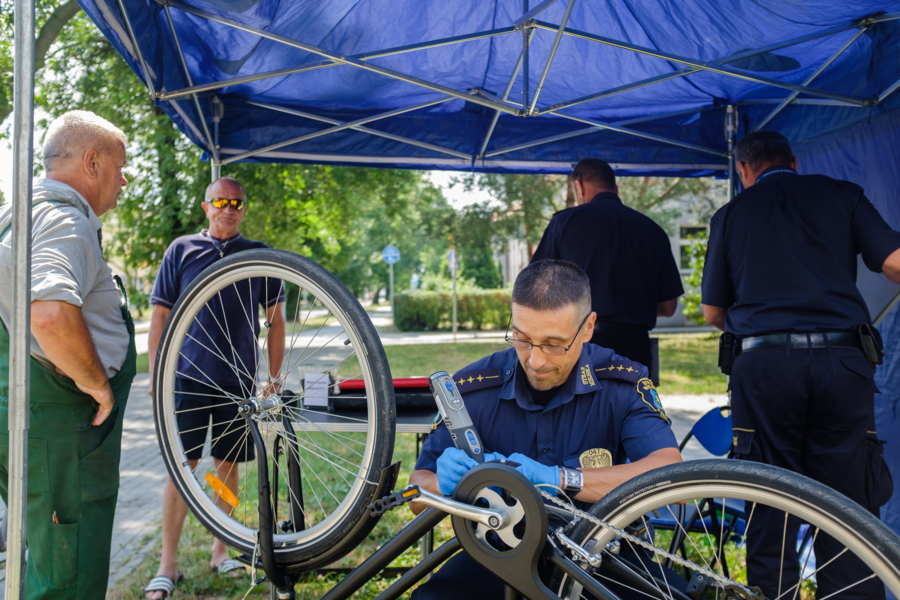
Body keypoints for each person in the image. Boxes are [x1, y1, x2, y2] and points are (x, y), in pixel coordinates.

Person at [701, 130, 900, 600]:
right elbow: (894, 261)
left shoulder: (730, 214)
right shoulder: (843, 195)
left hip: (764, 368)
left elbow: (713, 312)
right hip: (842, 363)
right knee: (849, 506)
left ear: (743, 170)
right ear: (793, 162)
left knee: (770, 500)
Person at [409, 259, 681, 600]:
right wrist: (444, 485)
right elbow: (416, 493)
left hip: (602, 556)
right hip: (501, 553)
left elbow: (672, 476)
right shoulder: (472, 389)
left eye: (554, 344)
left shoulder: (621, 383)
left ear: (588, 327)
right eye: (522, 339)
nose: (535, 361)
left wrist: (561, 479)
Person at [0, 111, 134, 599]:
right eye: (120, 166)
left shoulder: (15, 215)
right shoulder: (64, 218)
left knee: (43, 556)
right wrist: (97, 384)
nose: (124, 181)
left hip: (28, 414)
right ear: (92, 163)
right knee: (67, 575)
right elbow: (50, 315)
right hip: (62, 426)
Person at [144, 177, 286, 599]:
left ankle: (221, 550)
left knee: (227, 467)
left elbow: (276, 319)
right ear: (206, 207)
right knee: (182, 467)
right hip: (188, 375)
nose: (229, 208)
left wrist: (274, 377)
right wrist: (155, 373)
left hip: (238, 378)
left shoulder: (257, 254)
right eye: (220, 202)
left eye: (236, 203)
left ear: (244, 209)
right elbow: (160, 316)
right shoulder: (182, 250)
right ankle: (168, 564)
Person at [531, 158, 683, 368]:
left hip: (583, 346)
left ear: (579, 186)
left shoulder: (564, 223)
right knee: (633, 391)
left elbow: (535, 290)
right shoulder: (653, 230)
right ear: (616, 189)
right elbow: (668, 307)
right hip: (636, 349)